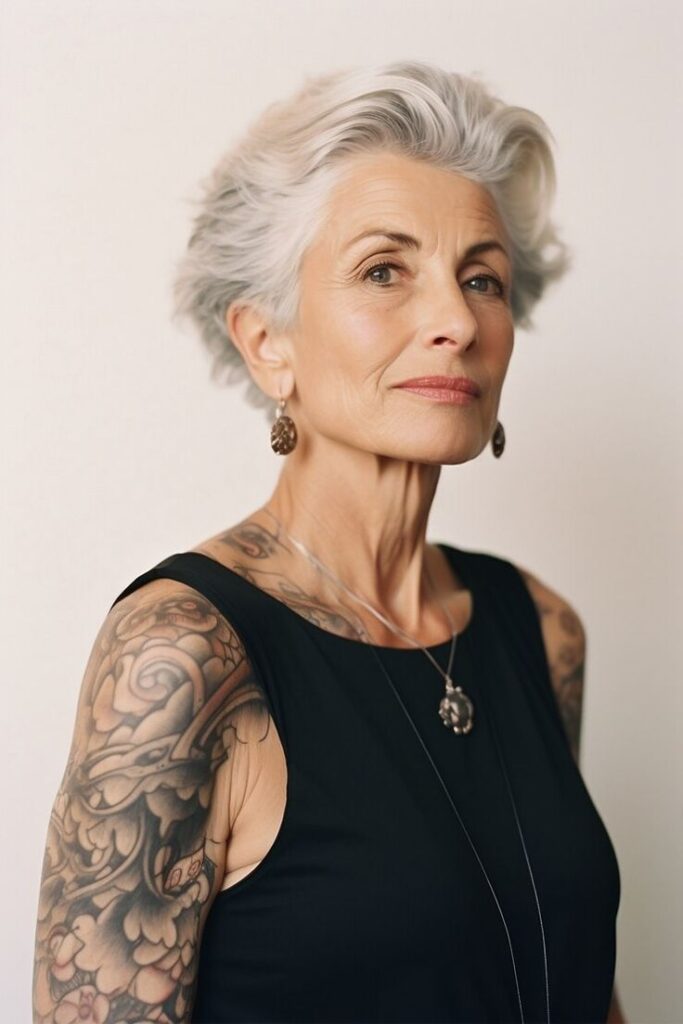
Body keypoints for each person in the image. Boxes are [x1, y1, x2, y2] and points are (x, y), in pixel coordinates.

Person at [32, 60, 627, 1024]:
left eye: (482, 279)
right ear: (267, 341)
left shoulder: (542, 629)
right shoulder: (182, 654)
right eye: (384, 270)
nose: (455, 321)